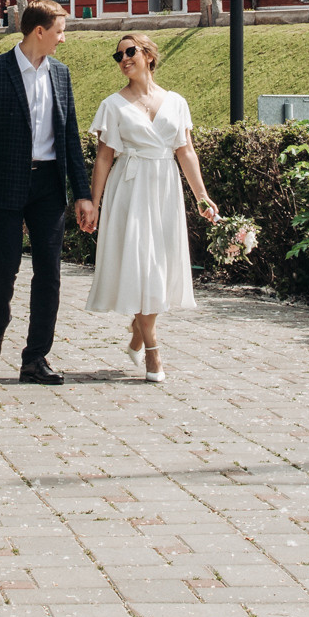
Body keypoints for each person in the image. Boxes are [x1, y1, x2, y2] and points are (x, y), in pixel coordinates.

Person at [0, 0, 96, 383]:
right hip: (5, 185)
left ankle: (35, 358)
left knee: (49, 273)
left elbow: (70, 138)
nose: (63, 39)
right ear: (39, 31)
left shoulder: (61, 75)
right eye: (59, 31)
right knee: (4, 267)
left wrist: (83, 194)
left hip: (48, 185)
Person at [82, 33, 218, 383]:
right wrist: (94, 204)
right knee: (142, 265)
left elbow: (185, 151)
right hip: (130, 188)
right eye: (118, 56)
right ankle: (153, 351)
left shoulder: (176, 102)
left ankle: (138, 331)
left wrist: (202, 197)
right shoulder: (112, 105)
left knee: (159, 265)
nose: (124, 59)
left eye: (130, 52)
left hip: (165, 188)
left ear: (149, 55)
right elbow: (104, 158)